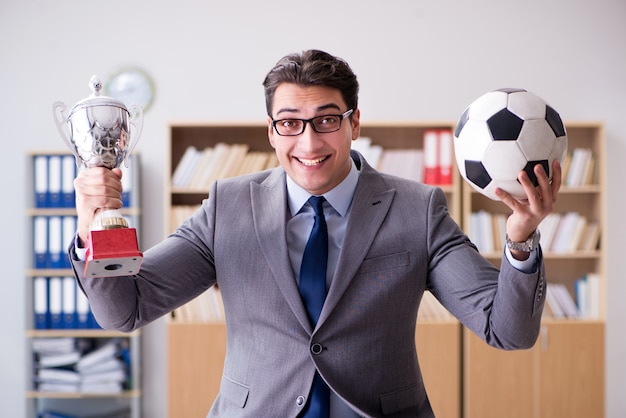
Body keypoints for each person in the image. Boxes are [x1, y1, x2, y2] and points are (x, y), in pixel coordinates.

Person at [70, 49, 561, 417]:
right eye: (290, 123)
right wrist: (91, 226)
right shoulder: (227, 206)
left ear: (354, 124)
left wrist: (520, 240)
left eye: (326, 120)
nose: (308, 141)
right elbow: (124, 310)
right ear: (271, 131)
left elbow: (509, 331)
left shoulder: (418, 209)